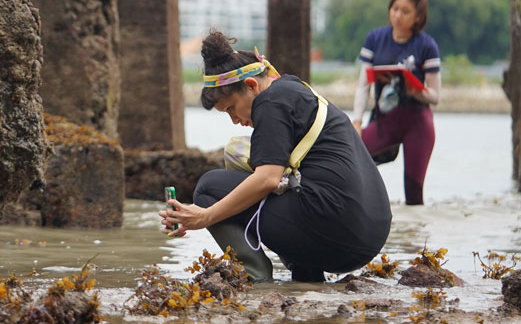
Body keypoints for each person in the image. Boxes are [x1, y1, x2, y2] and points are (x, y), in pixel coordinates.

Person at [160, 32, 391, 283]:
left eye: (230, 108)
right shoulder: (293, 90)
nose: (235, 120)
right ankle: (306, 279)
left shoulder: (270, 102)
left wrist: (204, 216)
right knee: (245, 160)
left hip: (340, 235)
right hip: (368, 235)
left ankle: (255, 276)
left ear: (251, 85)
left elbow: (268, 179)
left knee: (208, 188)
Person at [351, 0, 441, 205]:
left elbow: (435, 96)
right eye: (395, 9)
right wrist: (357, 120)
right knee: (350, 157)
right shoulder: (376, 38)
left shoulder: (427, 45)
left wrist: (415, 90)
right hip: (385, 121)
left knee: (413, 192)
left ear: (418, 17)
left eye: (405, 11)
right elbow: (363, 86)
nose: (398, 15)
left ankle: (413, 237)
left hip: (417, 123)